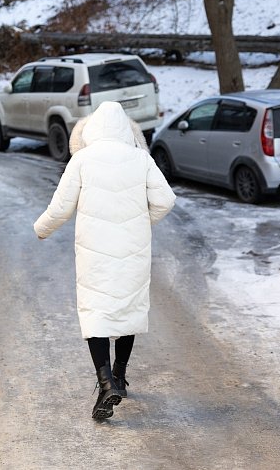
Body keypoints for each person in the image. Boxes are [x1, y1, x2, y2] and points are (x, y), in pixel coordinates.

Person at [33, 101, 176, 420]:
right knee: (128, 307)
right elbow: (166, 200)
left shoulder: (82, 159)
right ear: (127, 130)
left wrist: (41, 229)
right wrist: (142, 222)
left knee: (96, 310)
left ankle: (105, 382)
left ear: (91, 129)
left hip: (94, 251)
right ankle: (120, 375)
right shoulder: (141, 158)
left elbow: (59, 209)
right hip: (133, 248)